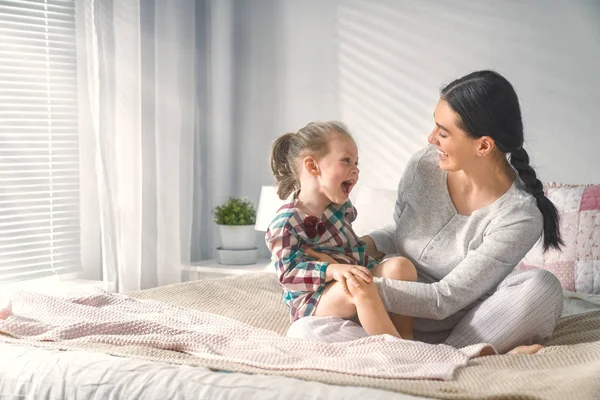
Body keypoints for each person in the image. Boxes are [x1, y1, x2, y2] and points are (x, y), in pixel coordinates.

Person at [286, 71, 565, 355]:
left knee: (542, 288)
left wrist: (359, 285)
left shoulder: (518, 215)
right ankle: (449, 359)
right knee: (304, 330)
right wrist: (350, 252)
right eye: (435, 126)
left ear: (483, 145)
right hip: (385, 316)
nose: (431, 138)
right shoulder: (425, 165)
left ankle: (437, 355)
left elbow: (444, 300)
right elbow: (399, 231)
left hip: (460, 325)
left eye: (443, 133)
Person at [266, 121, 417, 339]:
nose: (355, 170)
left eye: (356, 162)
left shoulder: (341, 208)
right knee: (359, 284)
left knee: (400, 267)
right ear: (312, 166)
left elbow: (351, 248)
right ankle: (394, 346)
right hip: (315, 299)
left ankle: (406, 337)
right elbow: (288, 275)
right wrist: (331, 269)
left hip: (352, 275)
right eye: (346, 160)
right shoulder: (285, 222)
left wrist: (347, 264)